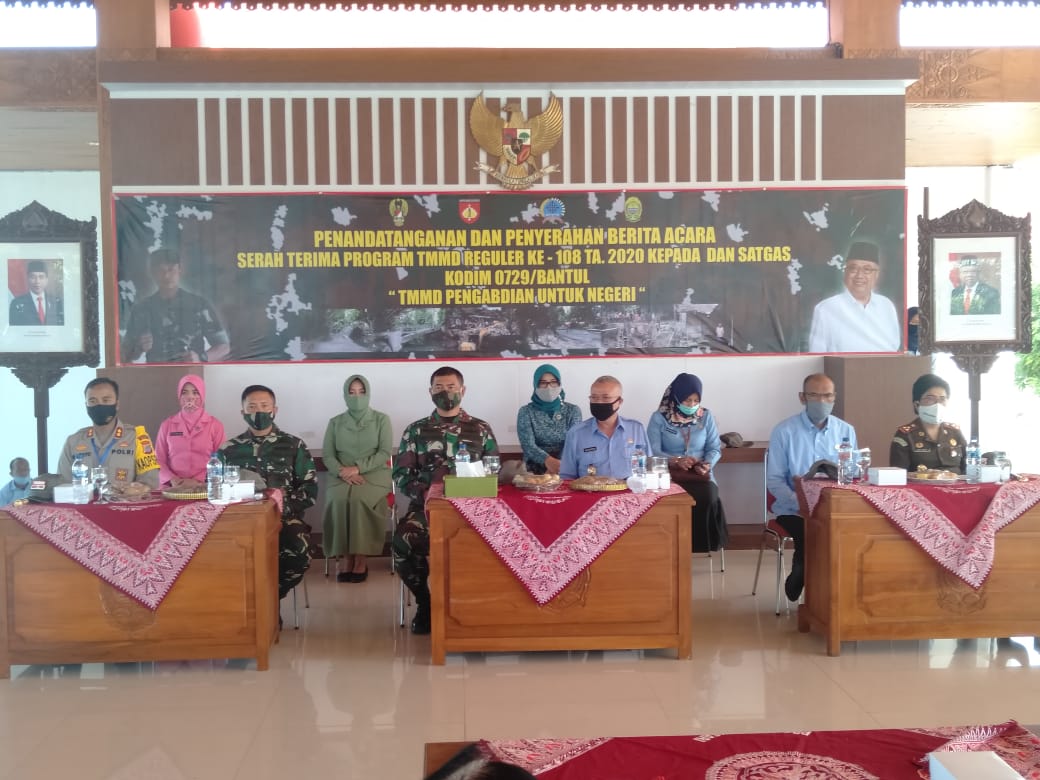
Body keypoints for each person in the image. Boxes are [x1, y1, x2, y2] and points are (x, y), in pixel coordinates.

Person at [392, 366, 499, 634]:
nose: (445, 392)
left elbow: (493, 471)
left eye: (451, 387)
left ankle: (481, 605)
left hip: (473, 510)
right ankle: (425, 603)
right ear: (430, 392)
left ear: (463, 391)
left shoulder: (480, 429)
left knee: (503, 540)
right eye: (439, 387)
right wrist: (426, 493)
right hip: (427, 509)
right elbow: (402, 475)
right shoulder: (415, 431)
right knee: (403, 542)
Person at [220, 384, 317, 600]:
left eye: (264, 406)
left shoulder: (293, 445)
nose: (259, 411)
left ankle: (269, 602)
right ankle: (245, 606)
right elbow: (214, 488)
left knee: (299, 551)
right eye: (252, 407)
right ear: (243, 412)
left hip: (283, 519)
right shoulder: (228, 450)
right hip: (240, 521)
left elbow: (309, 489)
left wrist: (281, 506)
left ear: (275, 410)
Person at [766, 373, 857, 602]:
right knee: (812, 534)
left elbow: (853, 475)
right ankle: (802, 571)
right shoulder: (784, 431)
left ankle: (841, 596)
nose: (821, 401)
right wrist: (801, 503)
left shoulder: (846, 431)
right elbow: (774, 480)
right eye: (814, 395)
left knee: (853, 536)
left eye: (827, 396)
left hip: (834, 508)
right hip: (793, 509)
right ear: (802, 397)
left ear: (834, 397)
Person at [321, 375, 393, 584]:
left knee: (358, 499)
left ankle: (361, 558)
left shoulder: (381, 419)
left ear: (368, 393)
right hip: (341, 474)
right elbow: (327, 455)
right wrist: (343, 471)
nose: (357, 397)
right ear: (345, 395)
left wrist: (358, 468)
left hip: (374, 474)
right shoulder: (335, 422)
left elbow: (384, 452)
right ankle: (346, 557)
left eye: (361, 392)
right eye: (352, 392)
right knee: (338, 500)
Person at [647, 372, 729, 553]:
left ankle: (699, 547)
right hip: (669, 476)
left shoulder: (705, 416)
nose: (691, 405)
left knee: (708, 497)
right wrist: (675, 461)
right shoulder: (659, 418)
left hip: (700, 475)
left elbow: (715, 448)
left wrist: (707, 464)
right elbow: (651, 451)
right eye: (687, 400)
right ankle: (671, 548)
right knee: (668, 503)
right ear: (676, 397)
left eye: (695, 400)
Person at [120, 249, 230, 364]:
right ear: (152, 273)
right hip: (155, 372)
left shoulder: (199, 305)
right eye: (160, 271)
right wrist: (138, 348)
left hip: (190, 372)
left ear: (180, 269)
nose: (166, 276)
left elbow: (223, 346)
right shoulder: (141, 309)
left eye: (171, 269)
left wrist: (201, 358)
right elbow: (124, 354)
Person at [57, 377, 160, 489]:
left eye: (106, 400)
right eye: (92, 401)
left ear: (117, 404)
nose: (99, 405)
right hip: (83, 500)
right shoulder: (73, 442)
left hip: (123, 500)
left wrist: (134, 490)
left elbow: (151, 483)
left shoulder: (138, 438)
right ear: (86, 405)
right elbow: (62, 486)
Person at [808, 240, 901, 353]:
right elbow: (816, 354)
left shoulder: (886, 306)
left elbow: (894, 347)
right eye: (853, 268)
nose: (859, 275)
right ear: (845, 272)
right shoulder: (825, 309)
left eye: (867, 269)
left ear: (876, 274)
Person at [559, 375, 652, 480]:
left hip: (631, 489)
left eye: (606, 398)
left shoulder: (636, 429)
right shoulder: (576, 434)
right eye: (594, 397)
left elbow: (650, 469)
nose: (599, 402)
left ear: (619, 401)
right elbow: (567, 477)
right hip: (591, 490)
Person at [153, 374, 226, 487]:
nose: (190, 397)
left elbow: (221, 459)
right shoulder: (167, 425)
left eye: (195, 392)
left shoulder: (215, 425)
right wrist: (173, 479)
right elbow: (158, 459)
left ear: (202, 394)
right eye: (184, 392)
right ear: (179, 395)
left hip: (206, 487)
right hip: (173, 488)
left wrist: (199, 480)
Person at [890, 373, 966, 473]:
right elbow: (897, 475)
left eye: (942, 399)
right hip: (919, 483)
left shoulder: (955, 432)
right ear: (917, 404)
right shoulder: (905, 435)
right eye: (930, 398)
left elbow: (968, 469)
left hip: (956, 483)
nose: (937, 404)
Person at [516, 363, 582, 475]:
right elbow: (528, 445)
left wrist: (558, 466)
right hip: (533, 470)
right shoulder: (526, 412)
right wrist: (548, 461)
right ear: (535, 385)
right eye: (543, 383)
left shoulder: (572, 411)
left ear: (559, 384)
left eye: (553, 382)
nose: (549, 387)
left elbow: (572, 443)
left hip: (565, 466)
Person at [9, 260, 63, 326]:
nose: (37, 281)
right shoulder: (16, 303)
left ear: (47, 280)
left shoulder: (56, 302)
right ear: (27, 279)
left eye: (41, 277)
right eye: (33, 277)